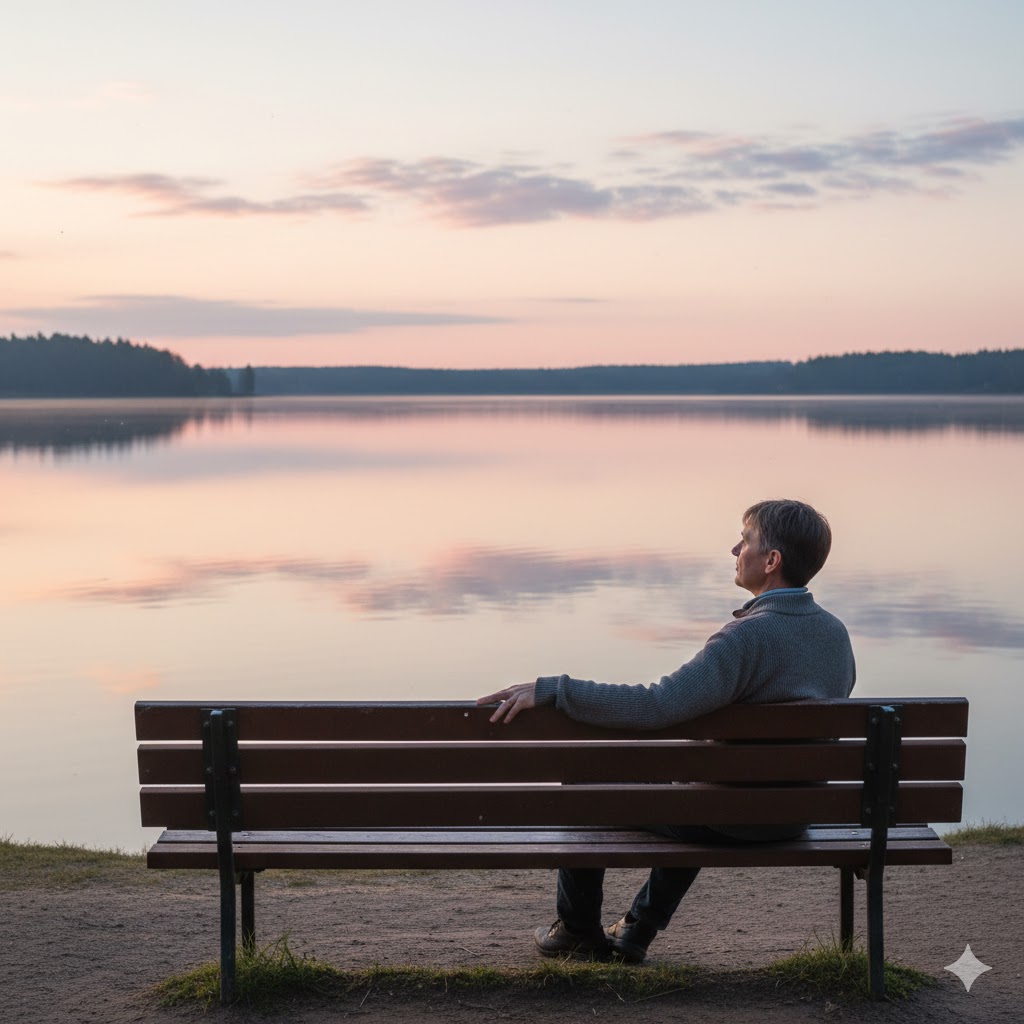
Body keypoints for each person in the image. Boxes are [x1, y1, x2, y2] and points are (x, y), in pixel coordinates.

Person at [477, 499, 856, 964]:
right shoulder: (836, 635)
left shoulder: (744, 639)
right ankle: (637, 929)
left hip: (732, 817)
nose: (734, 548)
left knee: (584, 782)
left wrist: (558, 689)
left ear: (772, 560)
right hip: (794, 815)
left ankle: (576, 930)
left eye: (746, 539)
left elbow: (658, 705)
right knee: (698, 788)